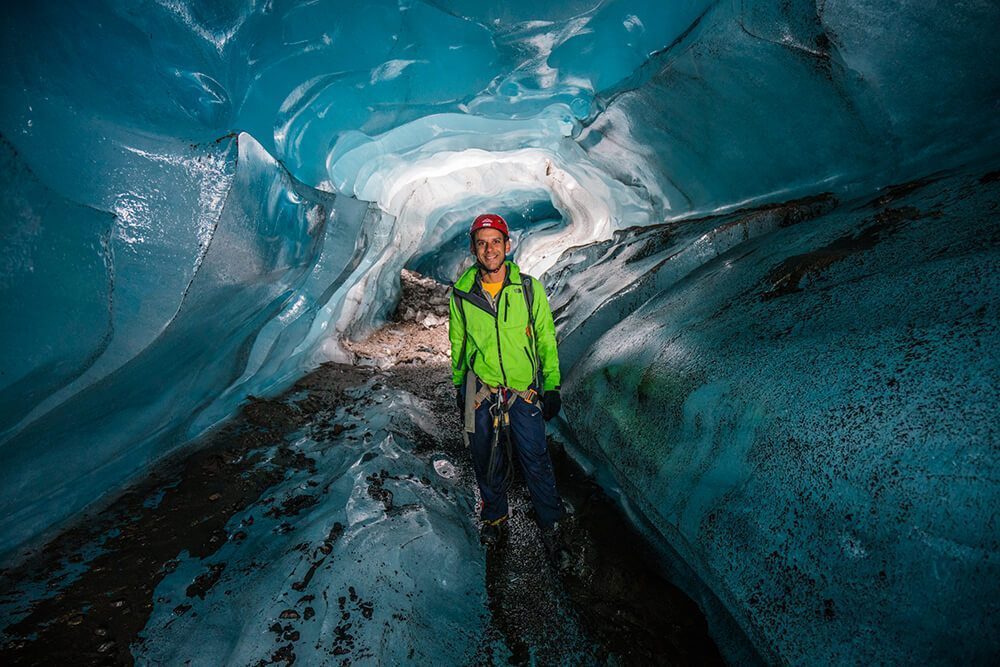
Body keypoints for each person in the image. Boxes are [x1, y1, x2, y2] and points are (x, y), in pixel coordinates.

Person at [448, 213, 570, 570]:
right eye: (482, 243)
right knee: (486, 456)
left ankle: (551, 524)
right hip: (482, 389)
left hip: (522, 390)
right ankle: (495, 517)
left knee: (535, 458)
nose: (490, 250)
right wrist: (460, 387)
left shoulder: (529, 289)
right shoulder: (462, 295)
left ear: (507, 245)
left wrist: (551, 385)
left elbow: (546, 338)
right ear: (474, 248)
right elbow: (459, 344)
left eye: (496, 242)